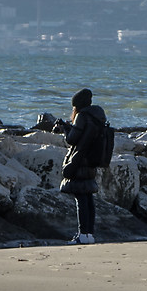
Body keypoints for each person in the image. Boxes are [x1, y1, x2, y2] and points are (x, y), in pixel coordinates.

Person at [55, 88, 114, 244]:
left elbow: (72, 140)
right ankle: (89, 235)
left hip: (79, 160)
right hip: (92, 160)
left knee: (81, 199)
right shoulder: (98, 116)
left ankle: (82, 235)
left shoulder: (82, 116)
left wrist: (65, 129)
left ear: (77, 105)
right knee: (88, 198)